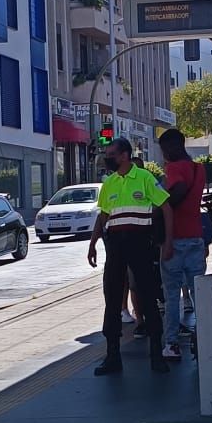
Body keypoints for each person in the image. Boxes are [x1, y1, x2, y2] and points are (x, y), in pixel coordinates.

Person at [88, 138, 172, 376]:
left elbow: (165, 207)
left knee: (147, 295)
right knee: (112, 298)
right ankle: (112, 355)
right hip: (115, 246)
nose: (108, 158)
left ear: (124, 155)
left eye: (111, 154)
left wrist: (167, 242)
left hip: (140, 244)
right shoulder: (109, 183)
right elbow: (104, 215)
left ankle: (157, 354)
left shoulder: (145, 179)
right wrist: (93, 243)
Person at [157, 126, 205, 362]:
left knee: (172, 295)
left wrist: (161, 203)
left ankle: (172, 344)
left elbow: (178, 191)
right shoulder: (199, 168)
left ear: (174, 147)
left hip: (173, 239)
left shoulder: (174, 168)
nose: (164, 155)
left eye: (164, 149)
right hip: (196, 237)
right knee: (200, 293)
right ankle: (204, 337)